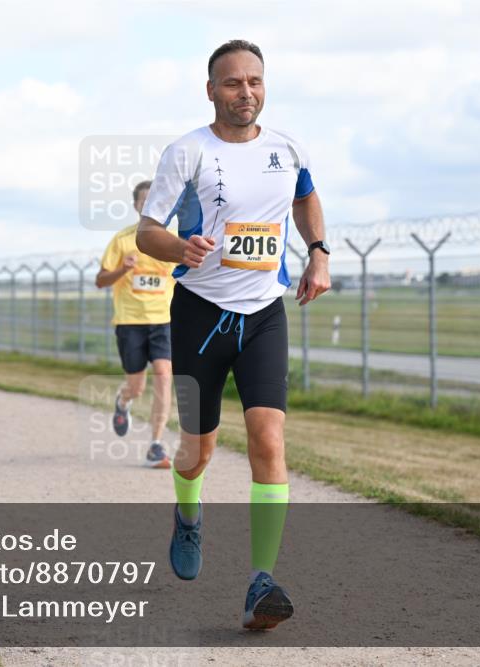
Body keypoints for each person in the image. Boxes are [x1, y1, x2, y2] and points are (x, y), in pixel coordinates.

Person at [135, 40, 330, 630]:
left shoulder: (286, 147)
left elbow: (305, 196)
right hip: (199, 312)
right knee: (198, 450)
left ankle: (260, 582)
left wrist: (318, 252)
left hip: (264, 313)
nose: (245, 92)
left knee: (269, 442)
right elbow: (148, 232)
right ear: (211, 90)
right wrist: (180, 246)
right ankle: (188, 513)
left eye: (255, 81)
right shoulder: (187, 152)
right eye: (232, 83)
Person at [96, 180, 175, 469]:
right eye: (144, 200)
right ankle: (123, 401)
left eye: (155, 199)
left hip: (163, 321)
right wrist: (122, 269)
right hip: (130, 322)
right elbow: (100, 281)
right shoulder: (122, 240)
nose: (150, 204)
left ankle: (155, 445)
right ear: (136, 205)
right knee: (137, 386)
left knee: (164, 376)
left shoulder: (174, 240)